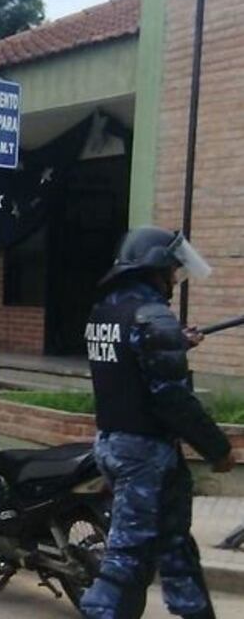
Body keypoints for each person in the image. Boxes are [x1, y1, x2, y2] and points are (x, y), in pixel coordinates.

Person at [80, 227, 234, 619]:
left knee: (174, 544)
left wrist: (174, 341)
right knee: (127, 558)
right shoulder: (153, 319)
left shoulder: (105, 311)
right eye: (171, 271)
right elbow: (173, 400)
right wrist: (217, 449)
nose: (173, 280)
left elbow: (131, 363)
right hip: (143, 451)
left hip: (116, 443)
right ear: (154, 269)